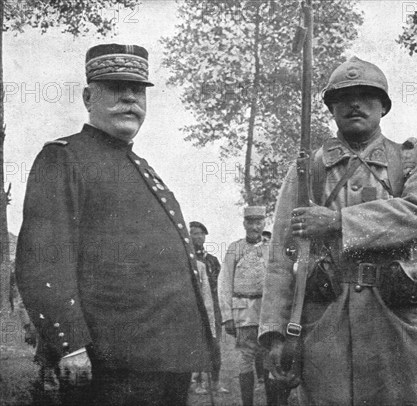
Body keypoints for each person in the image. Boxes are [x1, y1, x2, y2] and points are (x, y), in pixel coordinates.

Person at [15, 43, 213, 406]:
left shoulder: (142, 169)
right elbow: (43, 260)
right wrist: (69, 344)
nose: (129, 99)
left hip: (166, 360)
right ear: (89, 96)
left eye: (137, 90)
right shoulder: (64, 157)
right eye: (114, 88)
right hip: (111, 364)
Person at [259, 56, 417, 405]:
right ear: (331, 108)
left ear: (383, 106)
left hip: (396, 320)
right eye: (344, 97)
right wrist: (273, 330)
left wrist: (338, 222)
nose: (355, 103)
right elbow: (281, 257)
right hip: (326, 324)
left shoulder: (412, 160)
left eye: (366, 95)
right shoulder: (308, 169)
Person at [218, 206, 271, 406]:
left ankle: (271, 400)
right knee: (245, 357)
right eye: (250, 222)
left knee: (268, 355)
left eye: (258, 223)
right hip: (243, 311)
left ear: (264, 224)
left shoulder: (271, 247)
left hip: (266, 311)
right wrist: (227, 316)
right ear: (244, 224)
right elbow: (224, 283)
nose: (254, 227)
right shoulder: (235, 248)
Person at [189, 220, 228, 395]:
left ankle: (215, 383)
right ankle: (197, 383)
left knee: (215, 346)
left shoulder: (212, 260)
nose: (197, 236)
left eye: (200, 233)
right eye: (194, 233)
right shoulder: (187, 260)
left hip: (213, 309)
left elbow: (219, 285)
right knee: (197, 346)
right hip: (194, 310)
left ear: (205, 236)